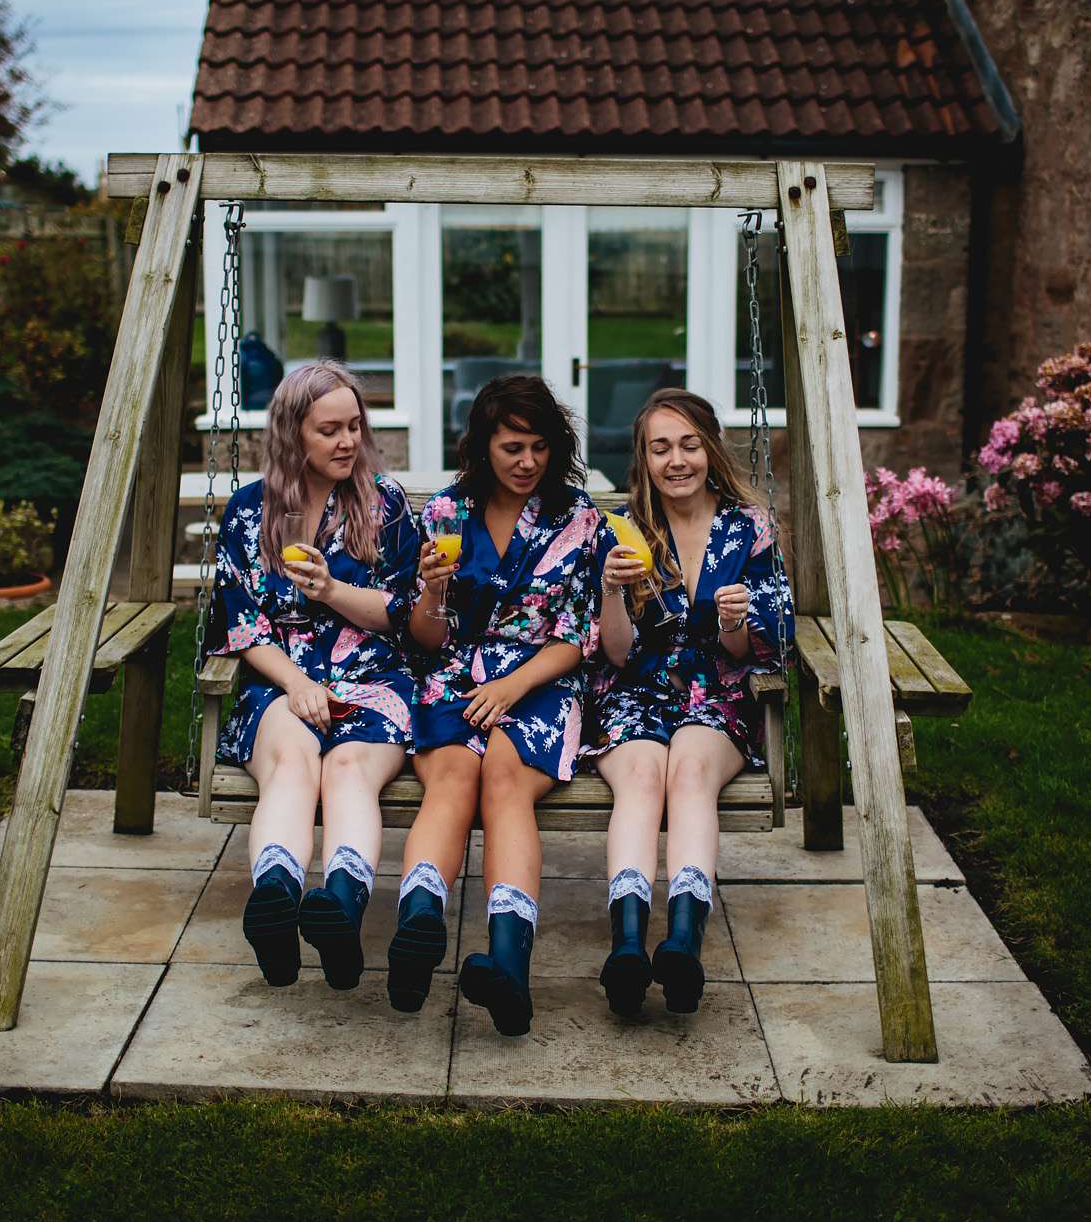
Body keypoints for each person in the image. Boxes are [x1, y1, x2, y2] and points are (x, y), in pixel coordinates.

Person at [387, 375, 602, 1035]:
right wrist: (428, 593)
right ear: (484, 445)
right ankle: (418, 923)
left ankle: (509, 964)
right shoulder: (445, 514)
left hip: (540, 679)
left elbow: (578, 635)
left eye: (540, 446)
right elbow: (426, 634)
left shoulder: (579, 518)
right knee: (451, 780)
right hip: (453, 673)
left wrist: (513, 686)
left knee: (504, 780)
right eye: (512, 446)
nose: (528, 461)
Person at [208, 360, 420, 990]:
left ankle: (340, 908)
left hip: (374, 677)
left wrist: (331, 591)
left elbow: (404, 613)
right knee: (295, 763)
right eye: (330, 430)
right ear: (292, 433)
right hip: (281, 678)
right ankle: (274, 899)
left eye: (355, 426)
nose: (348, 442)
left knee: (349, 769)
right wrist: (296, 684)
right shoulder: (251, 513)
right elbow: (241, 625)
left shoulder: (386, 505)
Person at [583, 390, 792, 1015]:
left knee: (691, 771)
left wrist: (734, 621)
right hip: (636, 690)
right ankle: (626, 944)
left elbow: (751, 647)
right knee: (643, 777)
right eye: (661, 448)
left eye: (689, 445)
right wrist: (612, 594)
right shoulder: (621, 530)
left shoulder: (748, 527)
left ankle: (681, 942)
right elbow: (617, 655)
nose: (677, 461)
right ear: (643, 459)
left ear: (711, 448)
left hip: (718, 692)